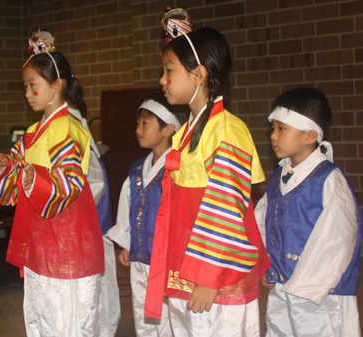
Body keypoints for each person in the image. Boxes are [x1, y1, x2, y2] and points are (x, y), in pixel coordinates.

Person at [144, 8, 270, 336]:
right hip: (186, 267)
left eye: (169, 70)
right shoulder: (188, 130)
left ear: (198, 74)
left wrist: (209, 278)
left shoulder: (227, 129)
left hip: (212, 278)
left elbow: (226, 206)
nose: (162, 80)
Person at [0, 29, 104, 337]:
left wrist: (30, 176)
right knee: (41, 317)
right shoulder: (33, 131)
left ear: (57, 85)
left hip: (66, 235)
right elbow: (19, 177)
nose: (27, 93)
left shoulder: (68, 127)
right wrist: (5, 166)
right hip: (41, 236)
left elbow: (70, 182)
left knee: (67, 320)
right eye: (25, 86)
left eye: (33, 85)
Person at [254, 87, 361, 336]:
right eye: (273, 128)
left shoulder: (328, 180)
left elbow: (336, 239)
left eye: (282, 128)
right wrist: (265, 266)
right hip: (282, 287)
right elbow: (261, 224)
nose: (273, 136)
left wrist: (306, 284)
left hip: (320, 296)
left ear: (310, 135)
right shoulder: (277, 180)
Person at [108, 92, 184, 336]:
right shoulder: (137, 168)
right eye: (137, 123)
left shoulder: (179, 168)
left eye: (145, 123)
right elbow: (127, 204)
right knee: (143, 314)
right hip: (140, 257)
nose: (138, 129)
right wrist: (127, 241)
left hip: (167, 259)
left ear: (168, 129)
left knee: (169, 316)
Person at [68, 102, 121, 337]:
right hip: (77, 235)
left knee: (95, 299)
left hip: (92, 232)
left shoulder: (77, 135)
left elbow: (92, 189)